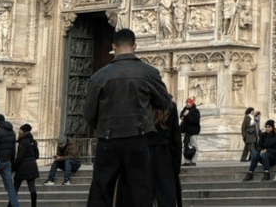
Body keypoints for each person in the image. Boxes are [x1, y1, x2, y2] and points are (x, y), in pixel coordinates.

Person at [84, 28, 171, 207]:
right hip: (137, 138)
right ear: (135, 46)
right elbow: (164, 102)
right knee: (139, 190)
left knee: (101, 190)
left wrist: (101, 126)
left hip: (107, 139)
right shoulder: (149, 73)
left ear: (113, 47)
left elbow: (89, 114)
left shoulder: (99, 76)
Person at [7, 124, 39, 207]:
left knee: (15, 188)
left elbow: (19, 157)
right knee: (32, 188)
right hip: (32, 167)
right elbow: (37, 155)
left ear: (24, 131)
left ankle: (10, 205)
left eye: (20, 131)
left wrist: (14, 167)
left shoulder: (23, 142)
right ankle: (34, 205)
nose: (18, 133)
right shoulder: (33, 141)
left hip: (22, 168)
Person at [180, 98, 200, 166]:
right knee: (185, 146)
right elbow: (181, 116)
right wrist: (184, 113)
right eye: (187, 103)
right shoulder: (185, 110)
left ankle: (193, 160)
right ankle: (187, 161)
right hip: (185, 130)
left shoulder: (195, 111)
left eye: (189, 103)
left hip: (193, 130)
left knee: (193, 145)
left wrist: (187, 116)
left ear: (192, 103)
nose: (187, 104)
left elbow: (195, 121)